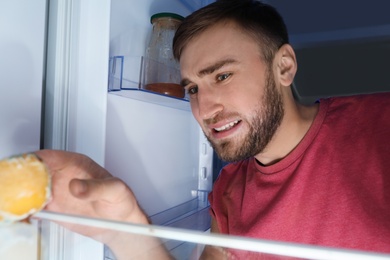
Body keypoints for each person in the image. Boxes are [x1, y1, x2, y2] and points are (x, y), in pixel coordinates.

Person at [34, 0, 390, 258]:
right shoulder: (229, 191)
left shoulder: (379, 127)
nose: (204, 109)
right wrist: (124, 228)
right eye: (192, 89)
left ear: (284, 67)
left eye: (222, 75)